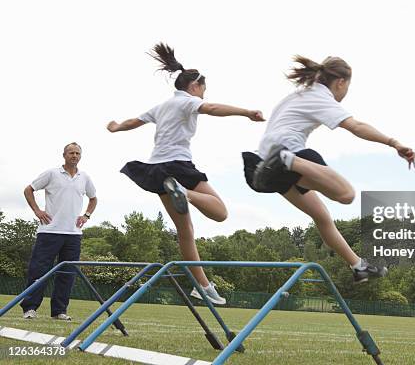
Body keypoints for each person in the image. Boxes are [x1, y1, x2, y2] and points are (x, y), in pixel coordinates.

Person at [107, 43, 264, 305]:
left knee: (185, 232)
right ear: (195, 86)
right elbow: (212, 108)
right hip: (178, 165)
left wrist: (115, 127)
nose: (203, 94)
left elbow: (132, 122)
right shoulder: (189, 102)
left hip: (156, 170)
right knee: (220, 213)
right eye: (204, 89)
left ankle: (202, 286)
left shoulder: (161, 106)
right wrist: (246, 112)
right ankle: (186, 192)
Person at [242, 56, 415, 283]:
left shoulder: (299, 94)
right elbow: (356, 126)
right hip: (287, 153)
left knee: (321, 216)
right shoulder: (320, 96)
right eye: (348, 87)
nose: (345, 93)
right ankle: (285, 160)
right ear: (341, 82)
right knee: (346, 194)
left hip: (264, 166)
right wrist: (394, 142)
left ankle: (358, 266)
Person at [21, 142, 97, 320]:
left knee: (67, 274)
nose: (74, 156)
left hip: (73, 234)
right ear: (64, 155)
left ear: (81, 156)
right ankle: (30, 308)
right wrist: (37, 211)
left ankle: (59, 311)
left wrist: (86, 216)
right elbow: (28, 190)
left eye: (77, 153)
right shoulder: (52, 173)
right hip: (49, 231)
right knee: (38, 271)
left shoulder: (84, 177)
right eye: (71, 152)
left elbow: (93, 199)